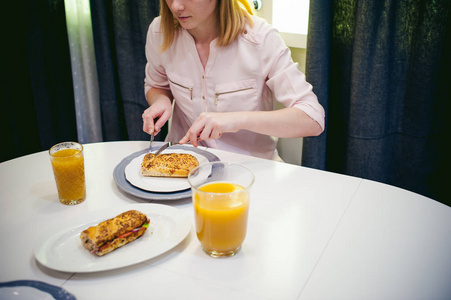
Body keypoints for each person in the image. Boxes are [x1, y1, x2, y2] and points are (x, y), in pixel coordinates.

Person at [142, 0, 325, 160]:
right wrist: (161, 100)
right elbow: (156, 84)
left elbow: (312, 118)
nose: (176, 6)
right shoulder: (160, 32)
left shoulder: (261, 39)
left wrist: (236, 120)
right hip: (183, 160)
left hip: (250, 168)